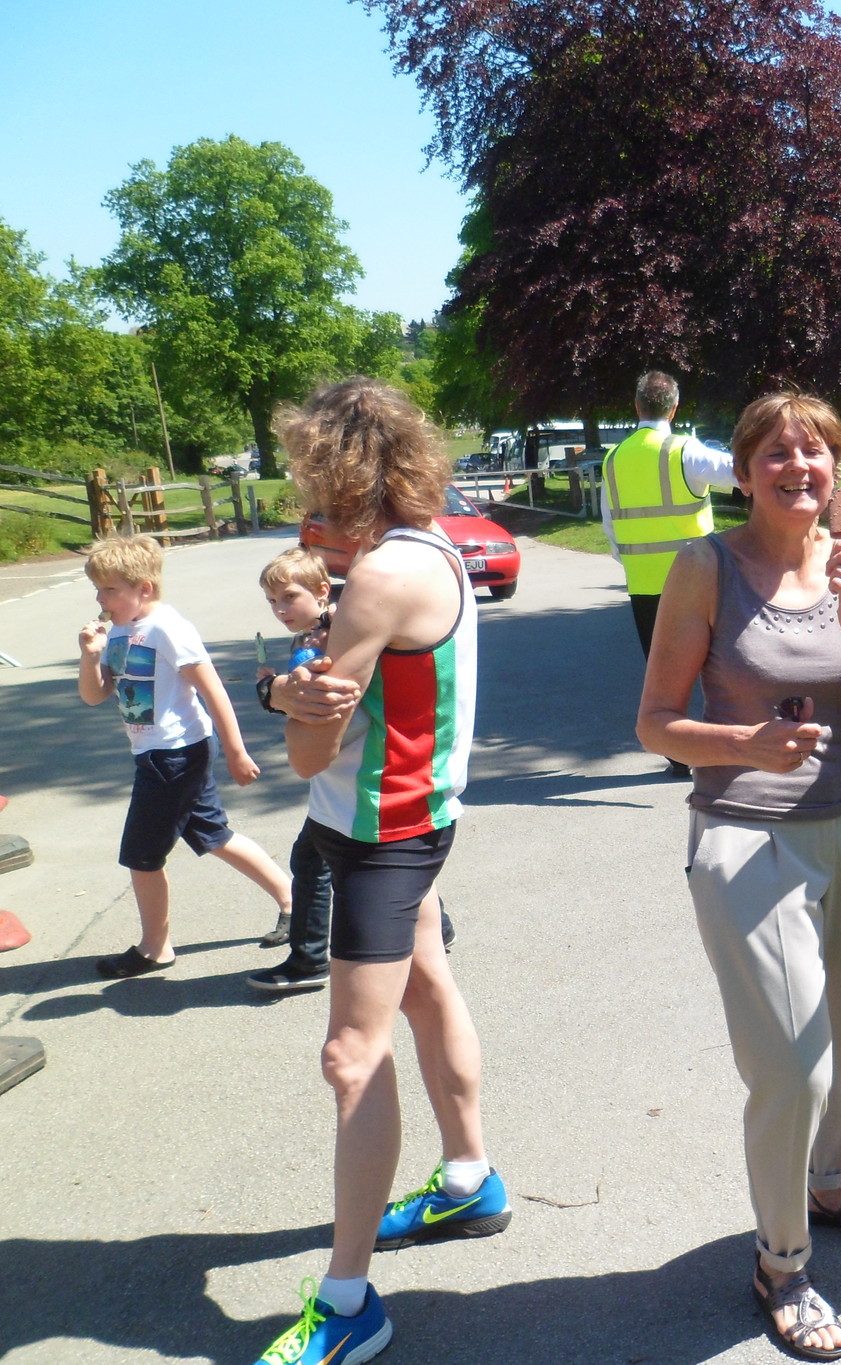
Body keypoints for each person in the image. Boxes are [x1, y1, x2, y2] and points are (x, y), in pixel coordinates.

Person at [636, 392, 841, 1363]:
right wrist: (743, 746)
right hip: (745, 836)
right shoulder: (703, 566)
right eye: (775, 451)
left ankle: (828, 1187)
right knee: (790, 1067)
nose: (797, 466)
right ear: (744, 467)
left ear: (836, 468)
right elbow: (654, 722)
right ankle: (781, 1262)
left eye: (816, 452)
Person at [255, 378, 509, 1364]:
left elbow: (310, 755)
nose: (303, 501)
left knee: (348, 1057)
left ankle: (351, 1300)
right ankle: (468, 1182)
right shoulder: (431, 541)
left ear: (343, 467)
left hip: (379, 837)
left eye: (311, 477)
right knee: (430, 988)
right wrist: (305, 687)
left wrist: (284, 694)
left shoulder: (373, 580)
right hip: (414, 818)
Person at [75, 534, 291, 977]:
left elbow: (212, 689)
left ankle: (156, 947)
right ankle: (294, 900)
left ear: (144, 589)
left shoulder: (166, 628)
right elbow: (96, 695)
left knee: (141, 856)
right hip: (155, 753)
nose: (101, 599)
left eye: (109, 589)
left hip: (173, 755)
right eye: (97, 590)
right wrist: (89, 656)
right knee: (214, 835)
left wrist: (236, 751)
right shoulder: (120, 629)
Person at [246, 547, 456, 993]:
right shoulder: (314, 632)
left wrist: (271, 690)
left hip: (359, 772)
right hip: (341, 776)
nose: (281, 609)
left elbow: (321, 705)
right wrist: (278, 689)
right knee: (369, 866)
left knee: (323, 860)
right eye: (272, 601)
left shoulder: (327, 634)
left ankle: (308, 960)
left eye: (289, 597)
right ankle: (438, 927)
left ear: (323, 591)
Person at [603, 370, 738, 776]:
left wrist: (630, 560)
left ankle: (679, 755)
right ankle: (729, 744)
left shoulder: (614, 459)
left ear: (637, 407)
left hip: (644, 582)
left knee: (663, 674)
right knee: (720, 663)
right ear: (675, 408)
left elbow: (610, 524)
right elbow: (740, 473)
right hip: (698, 579)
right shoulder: (685, 451)